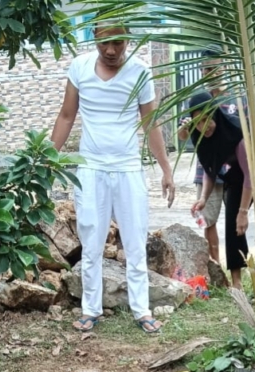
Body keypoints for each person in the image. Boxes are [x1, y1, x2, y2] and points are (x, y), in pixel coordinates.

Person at [51, 20, 176, 335]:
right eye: (105, 42)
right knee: (91, 240)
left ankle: (142, 309)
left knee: (135, 240)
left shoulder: (140, 72)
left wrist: (166, 169)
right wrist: (46, 158)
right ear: (94, 36)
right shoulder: (79, 68)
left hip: (128, 169)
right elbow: (67, 115)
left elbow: (151, 123)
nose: (111, 50)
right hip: (91, 169)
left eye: (119, 43)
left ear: (128, 39)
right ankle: (90, 309)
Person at [188, 91, 252, 289]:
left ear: (215, 114)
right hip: (232, 178)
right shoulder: (198, 134)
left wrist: (243, 212)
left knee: (241, 220)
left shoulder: (235, 131)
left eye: (206, 120)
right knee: (233, 229)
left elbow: (251, 175)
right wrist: (204, 199)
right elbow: (210, 168)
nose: (203, 127)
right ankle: (237, 283)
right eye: (197, 122)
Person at [178, 46, 228, 264]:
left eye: (213, 69)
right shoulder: (197, 99)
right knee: (208, 220)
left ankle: (238, 269)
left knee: (238, 219)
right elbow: (181, 135)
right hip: (207, 169)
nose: (208, 74)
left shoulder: (237, 98)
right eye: (204, 70)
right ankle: (215, 266)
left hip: (236, 170)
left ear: (224, 68)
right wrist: (187, 127)